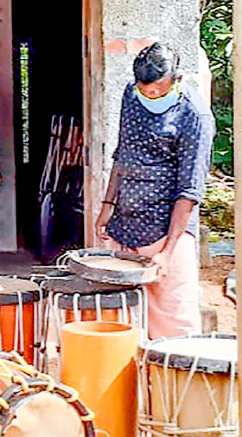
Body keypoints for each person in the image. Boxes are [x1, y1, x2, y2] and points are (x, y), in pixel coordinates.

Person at [95, 42, 215, 339]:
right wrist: (107, 208)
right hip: (124, 227)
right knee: (124, 325)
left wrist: (167, 252)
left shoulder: (196, 116)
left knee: (174, 329)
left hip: (165, 234)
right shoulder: (131, 95)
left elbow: (189, 191)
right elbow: (123, 154)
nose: (150, 96)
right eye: (145, 90)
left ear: (178, 80)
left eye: (159, 92)